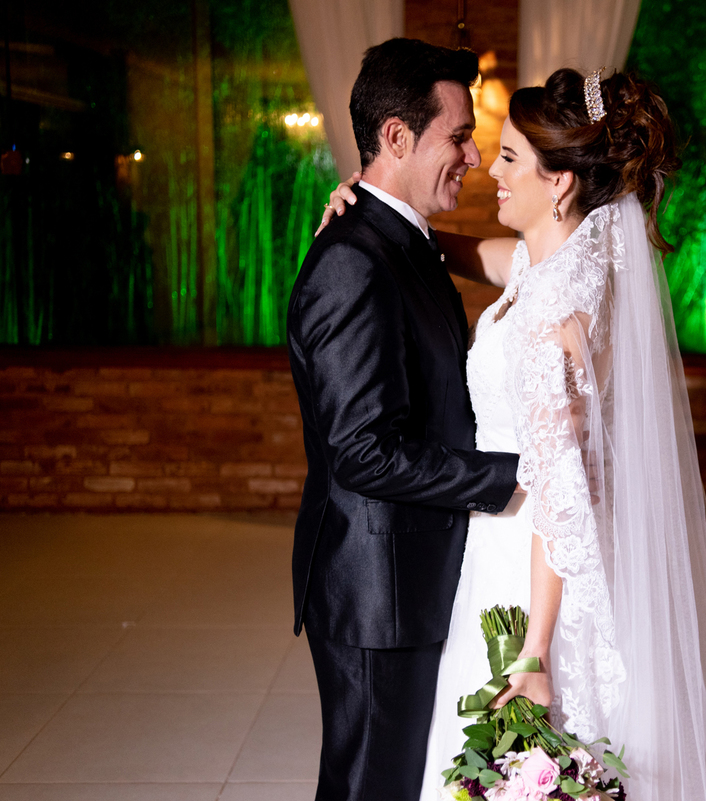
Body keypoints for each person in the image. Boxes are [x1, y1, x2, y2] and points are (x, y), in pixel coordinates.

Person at [320, 68, 706, 801]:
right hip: (522, 537)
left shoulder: (558, 321)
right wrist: (373, 207)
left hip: (530, 558)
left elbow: (562, 493)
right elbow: (461, 251)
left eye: (508, 158)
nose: (489, 171)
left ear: (559, 182)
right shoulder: (568, 261)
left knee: (525, 743)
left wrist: (534, 649)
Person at [286, 38, 522, 801]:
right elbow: (362, 451)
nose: (473, 156)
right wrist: (512, 479)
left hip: (412, 574)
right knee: (369, 786)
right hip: (376, 592)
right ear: (395, 136)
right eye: (460, 136)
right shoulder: (353, 260)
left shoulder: (406, 241)